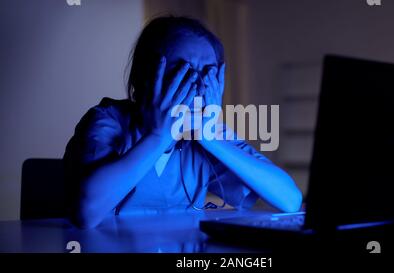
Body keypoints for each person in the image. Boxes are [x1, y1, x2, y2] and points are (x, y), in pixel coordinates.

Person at [63, 16, 302, 228]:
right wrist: (159, 136)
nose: (197, 83)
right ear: (146, 75)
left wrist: (209, 139)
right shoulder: (107, 120)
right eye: (182, 70)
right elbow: (86, 213)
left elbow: (289, 199)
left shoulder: (205, 132)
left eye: (208, 72)